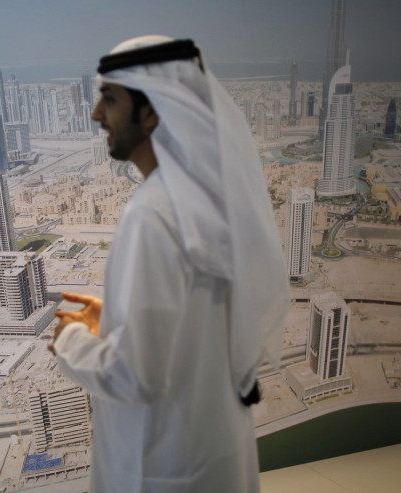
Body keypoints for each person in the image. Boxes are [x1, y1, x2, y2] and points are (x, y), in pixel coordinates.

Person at [49, 36, 290, 492]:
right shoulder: (208, 197)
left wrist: (71, 340)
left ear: (153, 111)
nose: (98, 114)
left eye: (110, 99)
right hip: (214, 448)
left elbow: (135, 377)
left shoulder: (152, 213)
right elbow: (198, 324)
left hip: (165, 468)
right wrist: (119, 321)